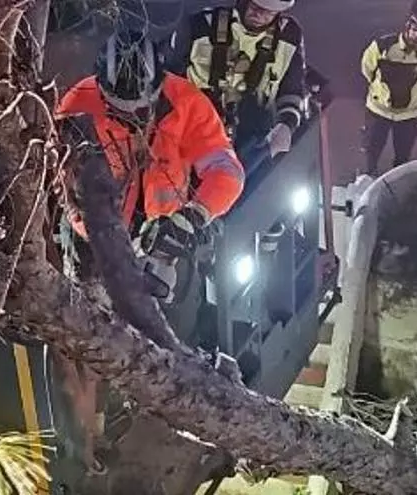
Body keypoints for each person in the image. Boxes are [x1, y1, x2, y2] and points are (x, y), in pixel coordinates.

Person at [50, 29, 244, 477]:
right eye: (122, 110)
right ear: (102, 87)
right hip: (94, 240)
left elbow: (225, 170)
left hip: (164, 234)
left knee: (160, 336)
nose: (135, 118)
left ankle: (146, 416)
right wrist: (104, 240)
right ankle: (82, 442)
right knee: (83, 339)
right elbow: (69, 193)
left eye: (143, 108)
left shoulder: (186, 102)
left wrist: (192, 217)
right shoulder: (76, 107)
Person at [167, 0, 307, 160]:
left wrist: (286, 125)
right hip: (193, 130)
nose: (260, 14)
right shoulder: (201, 24)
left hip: (250, 141)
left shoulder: (288, 35)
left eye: (269, 12)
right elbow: (170, 77)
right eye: (255, 7)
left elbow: (292, 88)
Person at [360, 0, 417, 176]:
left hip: (409, 115)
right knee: (371, 153)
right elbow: (367, 68)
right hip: (378, 110)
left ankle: (398, 190)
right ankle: (367, 180)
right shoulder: (382, 46)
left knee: (402, 159)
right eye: (416, 31)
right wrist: (379, 90)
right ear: (408, 26)